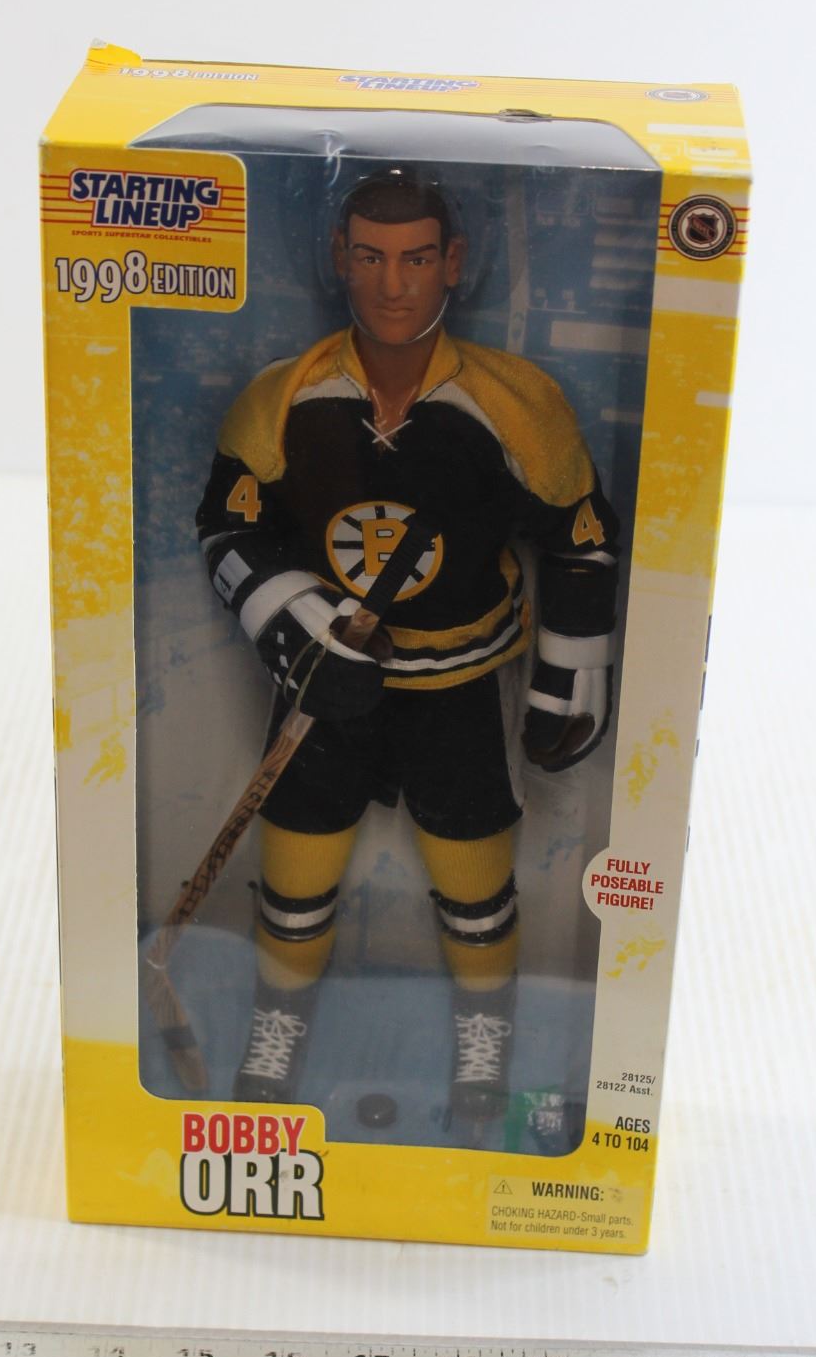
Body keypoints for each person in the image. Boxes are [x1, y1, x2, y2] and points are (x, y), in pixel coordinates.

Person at [196, 170, 618, 1122]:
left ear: (453, 262)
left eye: (417, 258)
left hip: (458, 687)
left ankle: (485, 1038)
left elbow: (581, 536)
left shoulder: (518, 405)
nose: (394, 284)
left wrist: (570, 675)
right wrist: (296, 622)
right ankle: (277, 1024)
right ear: (340, 258)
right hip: (320, 690)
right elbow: (228, 528)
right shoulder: (282, 398)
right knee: (294, 877)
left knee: (475, 881)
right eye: (373, 257)